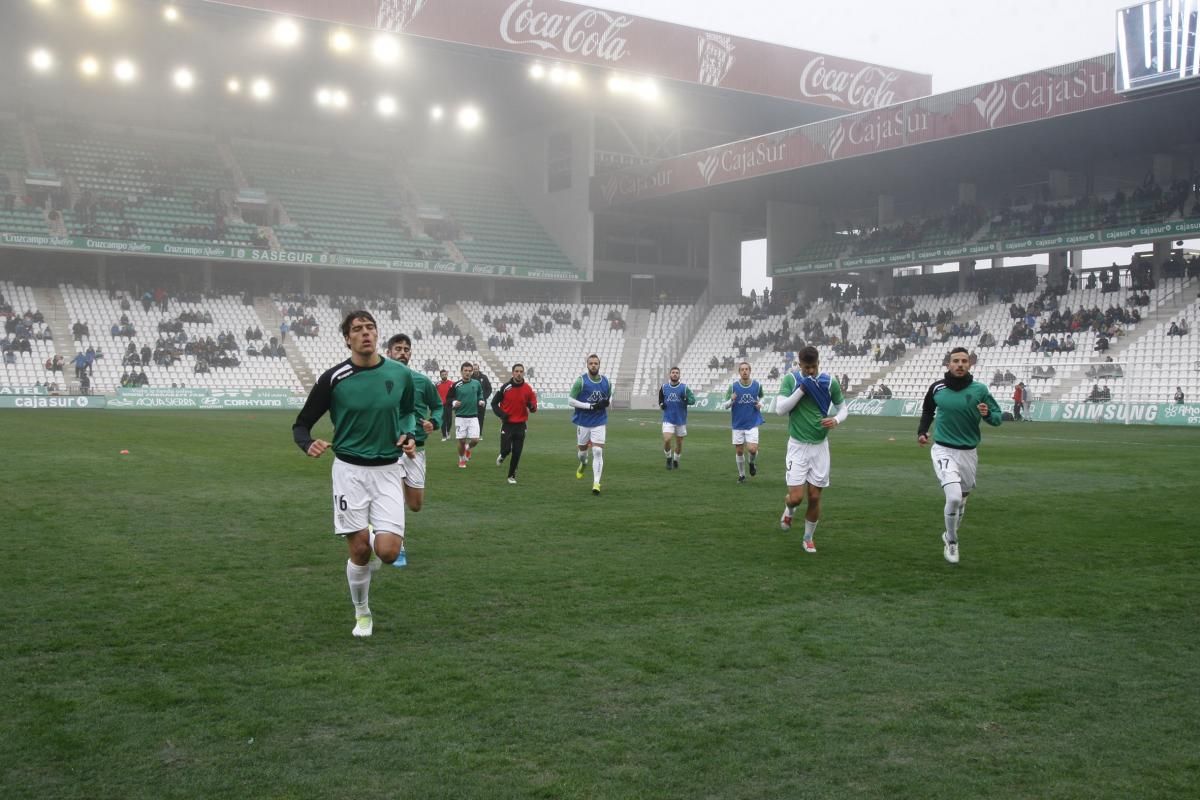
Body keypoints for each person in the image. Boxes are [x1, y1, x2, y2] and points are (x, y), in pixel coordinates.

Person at [292, 310, 418, 638]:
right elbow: (301, 423)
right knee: (360, 549)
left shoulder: (399, 374)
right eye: (357, 329)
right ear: (347, 338)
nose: (365, 333)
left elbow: (407, 412)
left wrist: (408, 433)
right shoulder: (333, 379)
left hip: (389, 470)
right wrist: (307, 444)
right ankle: (362, 613)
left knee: (388, 553)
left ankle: (376, 531)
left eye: (370, 328)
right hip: (349, 471)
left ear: (377, 335)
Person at [917, 346, 1002, 565]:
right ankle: (952, 541)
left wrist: (987, 414)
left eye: (964, 361)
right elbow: (928, 411)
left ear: (970, 364)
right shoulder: (937, 388)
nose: (960, 364)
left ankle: (949, 534)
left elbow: (997, 417)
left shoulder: (980, 390)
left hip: (968, 452)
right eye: (956, 361)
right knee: (953, 497)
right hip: (943, 448)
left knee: (962, 500)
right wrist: (922, 431)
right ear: (948, 364)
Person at [774, 346, 847, 553]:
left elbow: (843, 408)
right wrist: (802, 389)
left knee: (815, 496)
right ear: (799, 364)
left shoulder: (828, 381)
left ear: (818, 363)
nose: (811, 371)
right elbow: (780, 409)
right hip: (797, 446)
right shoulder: (791, 380)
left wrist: (836, 419)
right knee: (796, 497)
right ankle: (789, 509)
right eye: (807, 368)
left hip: (820, 447)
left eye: (814, 367)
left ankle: (808, 537)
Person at [385, 333, 444, 521]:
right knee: (394, 499)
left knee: (415, 504)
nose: (402, 353)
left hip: (416, 448)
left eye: (406, 350)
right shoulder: (379, 379)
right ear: (388, 353)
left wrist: (433, 422)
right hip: (390, 447)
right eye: (398, 349)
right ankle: (396, 545)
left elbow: (437, 406)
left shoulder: (422, 381)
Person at [567, 354, 612, 495]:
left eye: (596, 363)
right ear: (587, 365)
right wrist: (590, 406)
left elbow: (609, 397)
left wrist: (606, 402)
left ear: (599, 364)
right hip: (583, 422)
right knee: (582, 453)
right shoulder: (581, 381)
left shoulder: (606, 381)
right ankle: (583, 463)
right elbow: (570, 400)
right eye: (591, 363)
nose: (593, 365)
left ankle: (596, 483)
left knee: (598, 451)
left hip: (599, 421)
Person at [492, 363, 538, 484]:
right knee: (506, 450)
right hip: (507, 424)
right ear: (512, 373)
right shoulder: (505, 387)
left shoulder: (528, 389)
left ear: (523, 373)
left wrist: (531, 406)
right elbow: (493, 403)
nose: (518, 373)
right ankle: (502, 455)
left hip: (521, 425)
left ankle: (511, 476)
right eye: (516, 371)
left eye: (521, 371)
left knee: (517, 452)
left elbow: (533, 407)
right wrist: (502, 415)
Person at [721, 361, 764, 484]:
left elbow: (762, 397)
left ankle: (751, 463)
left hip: (752, 422)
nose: (744, 371)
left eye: (746, 369)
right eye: (742, 369)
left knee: (752, 449)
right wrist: (731, 400)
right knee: (739, 451)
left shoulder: (757, 385)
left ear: (750, 371)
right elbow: (725, 406)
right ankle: (742, 475)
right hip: (738, 423)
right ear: (739, 372)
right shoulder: (733, 387)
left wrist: (761, 404)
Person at [447, 362, 485, 468]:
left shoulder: (476, 383)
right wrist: (454, 402)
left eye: (469, 371)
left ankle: (468, 449)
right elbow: (448, 398)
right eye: (465, 371)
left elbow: (480, 394)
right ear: (461, 371)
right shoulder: (456, 385)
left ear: (472, 372)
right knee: (461, 441)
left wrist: (481, 400)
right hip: (460, 417)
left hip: (473, 416)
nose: (467, 373)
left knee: (475, 440)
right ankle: (461, 459)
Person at [658, 366, 696, 470]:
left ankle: (675, 460)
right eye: (673, 372)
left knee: (679, 444)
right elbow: (660, 399)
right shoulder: (664, 387)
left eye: (677, 373)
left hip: (680, 420)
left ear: (679, 375)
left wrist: (686, 399)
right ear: (670, 375)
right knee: (667, 439)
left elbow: (693, 400)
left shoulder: (684, 388)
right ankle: (668, 458)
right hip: (668, 419)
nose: (675, 374)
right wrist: (661, 404)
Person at [472, 363, 492, 440]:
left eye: (476, 369)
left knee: (480, 418)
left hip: (482, 402)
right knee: (473, 418)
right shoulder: (470, 378)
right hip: (472, 402)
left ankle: (480, 434)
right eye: (474, 369)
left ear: (478, 369)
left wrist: (483, 398)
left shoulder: (484, 377)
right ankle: (474, 434)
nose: (475, 370)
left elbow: (489, 389)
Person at [435, 369, 453, 441]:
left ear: (447, 375)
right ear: (440, 375)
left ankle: (448, 431)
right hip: (441, 405)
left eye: (445, 374)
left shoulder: (451, 384)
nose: (444, 376)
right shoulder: (437, 384)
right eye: (442, 375)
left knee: (449, 420)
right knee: (443, 420)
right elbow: (435, 394)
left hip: (449, 405)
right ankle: (444, 436)